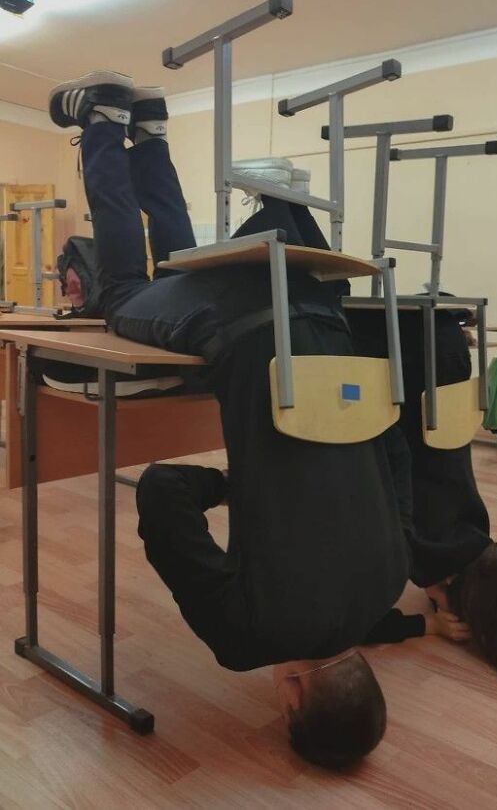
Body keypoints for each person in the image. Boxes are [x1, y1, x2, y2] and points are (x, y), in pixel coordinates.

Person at [49, 71, 411, 768]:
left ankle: (149, 133)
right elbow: (159, 490)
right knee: (125, 291)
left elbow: (388, 450)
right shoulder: (250, 638)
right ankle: (100, 123)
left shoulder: (390, 580)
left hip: (314, 305)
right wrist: (238, 478)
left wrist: (269, 466)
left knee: (180, 270)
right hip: (238, 320)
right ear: (292, 700)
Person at [347, 307, 497, 686]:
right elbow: (351, 624)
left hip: (443, 339)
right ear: (446, 588)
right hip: (388, 350)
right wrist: (427, 625)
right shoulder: (409, 544)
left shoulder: (478, 533)